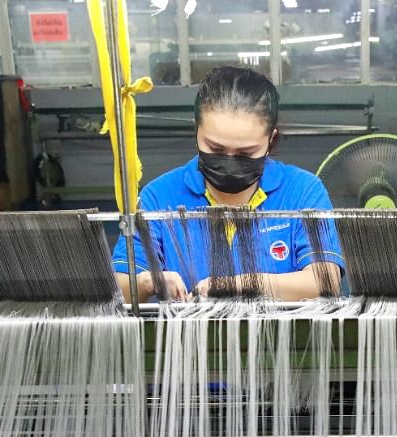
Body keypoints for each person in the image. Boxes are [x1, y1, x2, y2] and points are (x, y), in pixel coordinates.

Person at [112, 66, 344, 302]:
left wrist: (233, 285)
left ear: (271, 139)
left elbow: (325, 281)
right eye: (216, 149)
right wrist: (147, 281)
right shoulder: (160, 197)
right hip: (191, 339)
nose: (229, 161)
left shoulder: (302, 191)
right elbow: (120, 289)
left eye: (246, 152)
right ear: (196, 130)